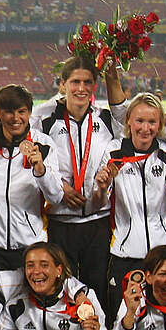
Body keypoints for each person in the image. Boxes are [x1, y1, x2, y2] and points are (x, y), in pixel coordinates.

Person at [33, 56, 129, 299]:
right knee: (60, 288)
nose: (81, 88)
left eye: (87, 82)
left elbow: (123, 114)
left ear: (95, 86)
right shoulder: (46, 122)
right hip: (61, 221)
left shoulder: (105, 120)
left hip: (98, 221)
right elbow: (36, 163)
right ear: (62, 84)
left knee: (97, 288)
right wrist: (61, 186)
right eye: (75, 82)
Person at [92, 92, 166, 311]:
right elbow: (98, 203)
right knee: (123, 319)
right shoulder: (114, 152)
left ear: (160, 123)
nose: (145, 128)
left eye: (152, 122)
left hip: (162, 253)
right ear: (129, 120)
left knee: (160, 318)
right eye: (140, 121)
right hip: (125, 254)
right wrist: (102, 187)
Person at [0, 85, 65, 271]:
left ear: (30, 112)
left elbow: (56, 197)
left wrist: (40, 170)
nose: (16, 118)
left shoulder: (44, 145)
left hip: (30, 245)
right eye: (9, 112)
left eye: (21, 111)